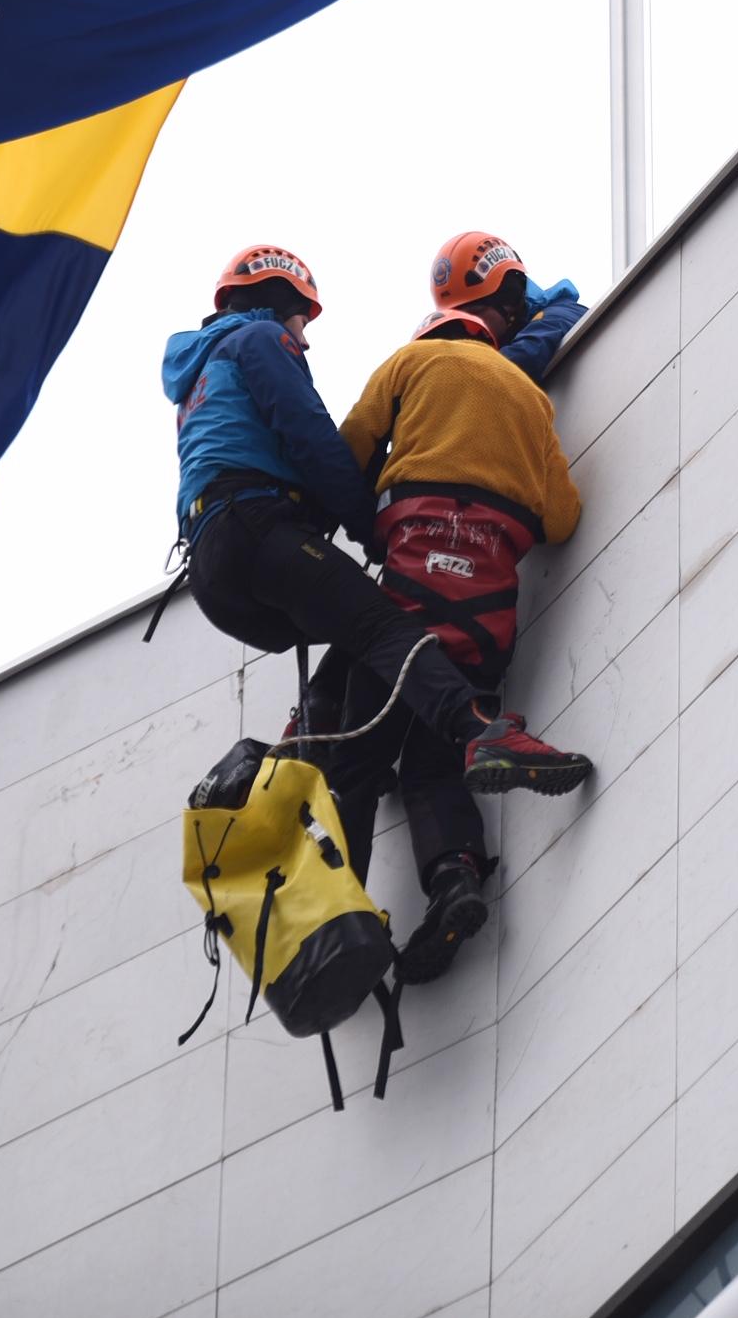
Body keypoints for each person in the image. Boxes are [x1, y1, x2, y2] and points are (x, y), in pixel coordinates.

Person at [163, 243, 592, 893]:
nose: (302, 335)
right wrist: (369, 527)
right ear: (281, 303)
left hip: (212, 568)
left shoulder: (199, 374)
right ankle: (483, 731)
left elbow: (350, 440)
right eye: (301, 319)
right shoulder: (260, 340)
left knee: (353, 634)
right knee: (383, 629)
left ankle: (303, 765)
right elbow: (313, 440)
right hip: (261, 529)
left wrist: (374, 522)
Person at [324, 231, 589, 984]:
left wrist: (363, 515)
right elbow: (563, 517)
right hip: (488, 608)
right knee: (436, 761)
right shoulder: (528, 396)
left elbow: (346, 453)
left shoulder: (408, 364)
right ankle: (455, 876)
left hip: (412, 588)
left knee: (361, 758)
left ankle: (338, 913)